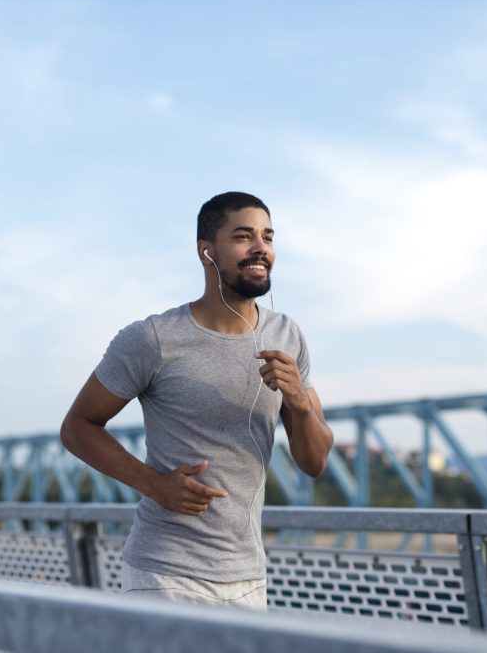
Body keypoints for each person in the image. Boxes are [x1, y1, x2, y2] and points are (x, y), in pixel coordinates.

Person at [60, 191, 333, 611]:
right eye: (244, 236)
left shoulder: (287, 336)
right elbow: (78, 427)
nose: (261, 248)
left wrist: (298, 401)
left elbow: (315, 462)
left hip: (248, 579)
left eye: (268, 237)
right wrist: (153, 484)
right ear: (207, 251)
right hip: (163, 573)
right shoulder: (153, 338)